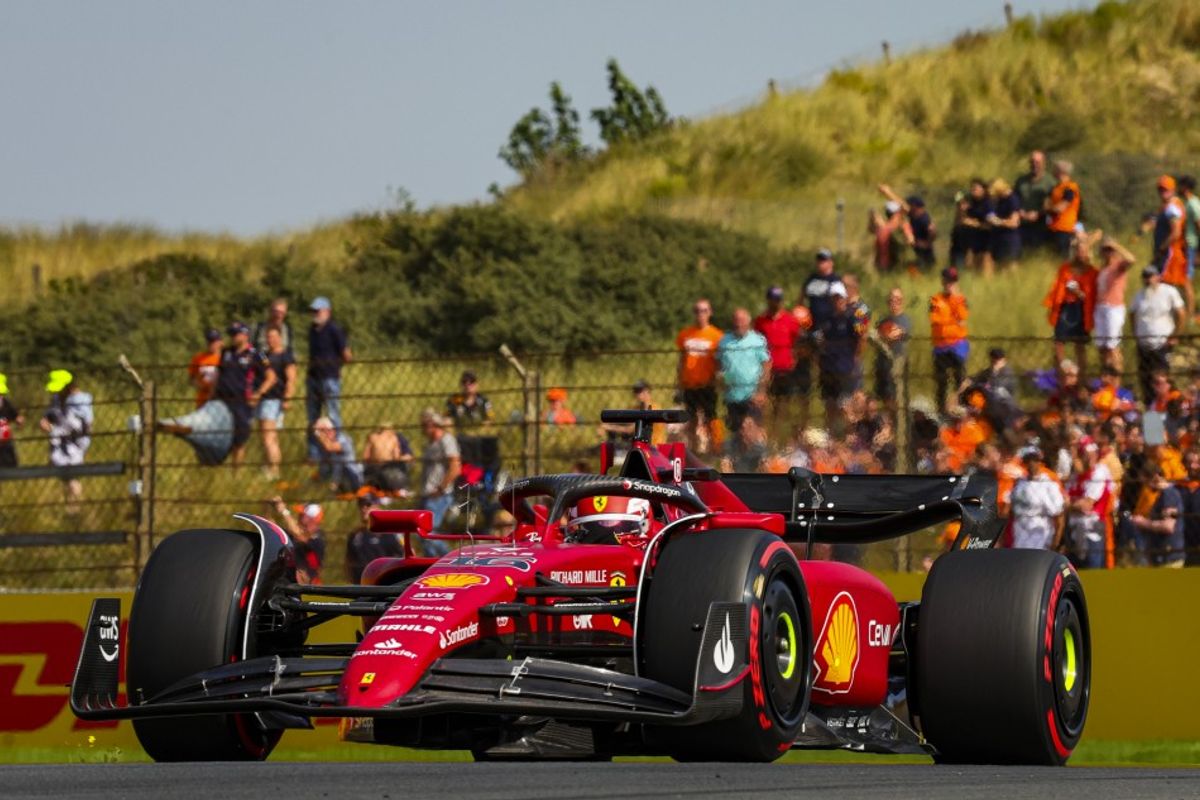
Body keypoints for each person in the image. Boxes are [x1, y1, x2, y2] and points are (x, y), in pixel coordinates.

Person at [215, 321, 275, 469]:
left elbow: (271, 377)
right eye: (231, 334)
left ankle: (236, 473)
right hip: (222, 401)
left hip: (242, 403)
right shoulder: (226, 352)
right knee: (218, 437)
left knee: (239, 441)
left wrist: (258, 394)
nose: (233, 337)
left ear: (245, 335)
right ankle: (216, 469)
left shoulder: (256, 354)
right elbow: (218, 375)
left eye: (236, 334)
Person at [1044, 233, 1099, 375]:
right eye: (1078, 251)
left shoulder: (1093, 272)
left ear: (1088, 252)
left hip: (1082, 310)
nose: (1080, 254)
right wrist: (1052, 307)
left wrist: (1078, 293)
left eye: (1083, 251)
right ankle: (1063, 372)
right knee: (1058, 342)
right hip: (1065, 308)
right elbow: (1057, 290)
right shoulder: (1065, 269)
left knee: (1080, 346)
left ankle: (1081, 378)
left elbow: (1092, 296)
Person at [39, 370, 93, 512]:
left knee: (71, 476)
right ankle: (71, 506)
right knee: (65, 477)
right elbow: (50, 415)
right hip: (59, 444)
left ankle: (75, 507)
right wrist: (45, 422)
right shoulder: (57, 399)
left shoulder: (81, 401)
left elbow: (86, 425)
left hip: (75, 444)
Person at [674, 298, 723, 453]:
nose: (700, 314)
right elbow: (681, 359)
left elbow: (720, 363)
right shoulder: (685, 334)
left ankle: (716, 449)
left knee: (711, 417)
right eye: (697, 310)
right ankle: (694, 451)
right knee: (691, 419)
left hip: (707, 384)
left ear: (710, 313)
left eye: (704, 310)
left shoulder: (717, 336)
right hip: (689, 384)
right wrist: (678, 382)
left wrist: (718, 380)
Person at [1130, 265, 1185, 403]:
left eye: (1151, 276)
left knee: (1162, 380)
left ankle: (1169, 413)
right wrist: (1135, 334)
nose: (1149, 280)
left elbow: (1181, 313)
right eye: (1146, 277)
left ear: (1158, 277)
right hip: (1144, 345)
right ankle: (1152, 421)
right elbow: (1132, 313)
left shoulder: (1168, 291)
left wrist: (1176, 335)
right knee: (1146, 382)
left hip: (1162, 344)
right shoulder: (1139, 295)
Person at [811, 284, 863, 427]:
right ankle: (833, 441)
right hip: (828, 369)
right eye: (834, 298)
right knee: (829, 407)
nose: (837, 301)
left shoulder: (852, 317)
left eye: (839, 298)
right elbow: (819, 339)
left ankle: (853, 437)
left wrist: (855, 360)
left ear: (845, 298)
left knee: (845, 407)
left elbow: (860, 339)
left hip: (845, 369)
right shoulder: (826, 319)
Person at [306, 296, 351, 462]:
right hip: (313, 377)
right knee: (313, 417)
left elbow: (347, 355)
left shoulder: (334, 329)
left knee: (333, 416)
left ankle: (336, 451)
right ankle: (314, 454)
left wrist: (334, 366)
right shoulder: (312, 329)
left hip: (329, 378)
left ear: (328, 311)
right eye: (314, 311)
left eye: (318, 310)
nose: (315, 314)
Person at [716, 308, 771, 439]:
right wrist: (720, 379)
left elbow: (766, 366)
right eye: (736, 320)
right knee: (736, 432)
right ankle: (738, 458)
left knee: (754, 429)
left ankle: (761, 456)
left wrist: (761, 392)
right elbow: (719, 365)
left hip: (752, 395)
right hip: (732, 396)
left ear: (748, 322)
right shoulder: (724, 341)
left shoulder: (757, 340)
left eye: (742, 320)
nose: (738, 324)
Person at [754, 286, 803, 430]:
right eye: (773, 299)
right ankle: (765, 432)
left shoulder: (790, 320)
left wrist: (795, 358)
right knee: (765, 403)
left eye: (778, 300)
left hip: (785, 366)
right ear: (768, 300)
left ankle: (780, 432)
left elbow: (797, 342)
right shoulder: (761, 321)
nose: (775, 303)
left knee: (783, 403)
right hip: (766, 367)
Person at [1064, 437, 1113, 569]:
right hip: (1074, 531)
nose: (1091, 458)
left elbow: (1087, 504)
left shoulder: (1100, 472)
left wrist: (1070, 504)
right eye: (1086, 455)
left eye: (1093, 454)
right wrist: (1074, 504)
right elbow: (1063, 501)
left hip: (1093, 530)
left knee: (1093, 569)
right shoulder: (1075, 476)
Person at [418, 408, 461, 555]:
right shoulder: (431, 444)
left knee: (428, 534)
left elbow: (455, 467)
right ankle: (432, 568)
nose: (422, 428)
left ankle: (452, 562)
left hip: (438, 495)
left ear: (433, 424)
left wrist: (441, 489)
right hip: (427, 494)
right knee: (422, 535)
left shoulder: (446, 440)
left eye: (425, 424)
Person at [1127, 464, 1186, 568]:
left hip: (1169, 557)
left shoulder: (1169, 494)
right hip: (1161, 556)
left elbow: (1168, 526)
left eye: (1146, 482)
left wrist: (1143, 522)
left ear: (1155, 477)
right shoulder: (1163, 495)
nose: (1146, 487)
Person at [1152, 174, 1194, 319]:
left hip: (1170, 253)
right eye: (1161, 190)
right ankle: (1180, 317)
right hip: (1171, 251)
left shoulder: (1172, 208)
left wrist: (1162, 248)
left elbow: (1176, 232)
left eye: (1166, 190)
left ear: (1173, 190)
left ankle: (1181, 318)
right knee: (1176, 283)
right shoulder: (1170, 205)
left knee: (1169, 284)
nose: (1163, 193)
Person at [1008, 445, 1066, 550]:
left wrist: (1056, 541)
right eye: (1028, 460)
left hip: (1041, 528)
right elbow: (1009, 510)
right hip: (1020, 528)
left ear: (1040, 461)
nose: (1031, 464)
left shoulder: (1050, 484)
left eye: (1034, 460)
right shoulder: (1019, 483)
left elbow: (1059, 515)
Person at [929, 267, 970, 412]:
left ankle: (961, 408)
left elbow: (963, 317)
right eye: (947, 281)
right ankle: (940, 410)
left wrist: (954, 300)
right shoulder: (935, 299)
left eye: (952, 281)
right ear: (942, 281)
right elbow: (935, 320)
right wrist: (954, 321)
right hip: (941, 347)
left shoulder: (961, 299)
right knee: (941, 383)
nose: (949, 284)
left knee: (960, 380)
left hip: (958, 346)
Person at [258, 326, 296, 480]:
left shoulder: (286, 356)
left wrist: (287, 398)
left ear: (280, 337)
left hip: (274, 400)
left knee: (269, 437)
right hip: (264, 400)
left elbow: (292, 379)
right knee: (269, 437)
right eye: (268, 337)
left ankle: (273, 471)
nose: (270, 340)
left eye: (274, 337)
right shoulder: (265, 356)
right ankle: (271, 467)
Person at [1093, 237, 1135, 371]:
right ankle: (1105, 376)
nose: (1108, 252)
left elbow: (1131, 260)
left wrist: (1116, 246)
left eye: (1110, 250)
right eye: (1106, 250)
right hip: (1100, 307)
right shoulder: (1101, 269)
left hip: (1114, 308)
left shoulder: (1119, 265)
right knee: (1101, 346)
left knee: (1113, 346)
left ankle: (1116, 380)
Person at [344, 491, 404, 583]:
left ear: (377, 506)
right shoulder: (355, 535)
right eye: (361, 505)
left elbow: (408, 554)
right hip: (360, 587)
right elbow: (348, 563)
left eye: (368, 505)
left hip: (386, 585)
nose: (363, 508)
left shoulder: (391, 532)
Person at [871, 288, 911, 414]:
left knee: (895, 398)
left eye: (897, 300)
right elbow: (873, 335)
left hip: (896, 362)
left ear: (901, 301)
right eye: (891, 300)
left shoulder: (904, 320)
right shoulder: (883, 320)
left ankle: (896, 425)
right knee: (882, 396)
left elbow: (894, 334)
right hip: (882, 362)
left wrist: (880, 336)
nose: (893, 302)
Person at [878, 185, 935, 270]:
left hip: (925, 254)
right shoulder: (913, 215)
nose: (907, 207)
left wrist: (927, 243)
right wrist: (888, 193)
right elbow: (902, 204)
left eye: (910, 205)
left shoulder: (924, 218)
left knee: (922, 272)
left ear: (915, 207)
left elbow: (932, 230)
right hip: (915, 251)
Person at [272, 497, 326, 584]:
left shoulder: (318, 539)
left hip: (308, 585)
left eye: (302, 515)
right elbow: (274, 530)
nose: (299, 517)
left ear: (311, 519)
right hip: (289, 580)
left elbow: (298, 535)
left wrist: (284, 511)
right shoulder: (294, 534)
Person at [1015, 150, 1056, 252]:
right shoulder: (1021, 180)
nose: (1034, 165)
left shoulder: (1051, 182)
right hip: (1021, 223)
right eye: (1032, 162)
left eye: (1038, 162)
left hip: (1040, 224)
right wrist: (1019, 210)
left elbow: (1053, 204)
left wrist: (1038, 213)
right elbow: (1015, 198)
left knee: (1035, 252)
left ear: (1044, 163)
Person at [311, 415, 363, 493]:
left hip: (351, 477)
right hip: (339, 477)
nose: (323, 435)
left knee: (344, 484)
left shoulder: (344, 440)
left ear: (331, 430)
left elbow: (329, 447)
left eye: (323, 432)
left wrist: (318, 433)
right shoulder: (331, 440)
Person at [361, 422, 414, 492]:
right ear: (390, 430)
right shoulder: (393, 438)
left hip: (374, 467)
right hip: (388, 468)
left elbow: (365, 457)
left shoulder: (372, 437)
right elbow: (396, 458)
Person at [1045, 160, 1082, 258]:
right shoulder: (1055, 188)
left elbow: (1061, 208)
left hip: (1064, 228)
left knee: (1061, 258)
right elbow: (1046, 204)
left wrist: (1050, 208)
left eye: (1055, 169)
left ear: (1061, 171)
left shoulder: (1070, 188)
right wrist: (1051, 208)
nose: (1052, 171)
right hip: (1052, 227)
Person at [802, 248, 845, 329]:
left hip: (829, 324)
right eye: (819, 260)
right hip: (811, 324)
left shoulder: (835, 280)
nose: (820, 262)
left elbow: (841, 305)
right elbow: (801, 298)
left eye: (823, 260)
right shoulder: (811, 279)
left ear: (831, 263)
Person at [867, 199, 913, 271]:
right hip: (899, 267)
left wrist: (873, 216)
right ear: (898, 212)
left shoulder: (882, 229)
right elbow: (910, 241)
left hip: (882, 267)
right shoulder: (903, 226)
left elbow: (871, 229)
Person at [987, 178, 1022, 271]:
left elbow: (1014, 223)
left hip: (1010, 238)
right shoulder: (999, 200)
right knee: (1000, 267)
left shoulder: (1012, 199)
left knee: (1010, 265)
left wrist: (998, 221)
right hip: (999, 237)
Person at [960, 179, 993, 275]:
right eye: (972, 188)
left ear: (983, 189)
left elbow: (991, 225)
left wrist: (974, 224)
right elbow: (962, 220)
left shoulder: (988, 204)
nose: (973, 191)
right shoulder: (971, 203)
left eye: (975, 188)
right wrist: (962, 210)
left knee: (985, 268)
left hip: (987, 240)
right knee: (973, 269)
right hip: (974, 239)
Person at [187, 329, 223, 408]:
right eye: (209, 341)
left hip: (219, 400)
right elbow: (191, 379)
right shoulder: (198, 358)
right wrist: (201, 386)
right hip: (202, 400)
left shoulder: (225, 358)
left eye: (214, 341)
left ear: (220, 342)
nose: (211, 344)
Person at [1180, 176, 1200, 304]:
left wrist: (1199, 252)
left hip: (1192, 247)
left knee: (1186, 281)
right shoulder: (1187, 203)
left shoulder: (1193, 203)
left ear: (1185, 187)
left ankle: (1191, 315)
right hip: (1188, 247)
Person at [0, 373, 24, 468]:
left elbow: (16, 416)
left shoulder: (6, 403)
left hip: (5, 441)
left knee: (10, 465)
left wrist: (19, 420)